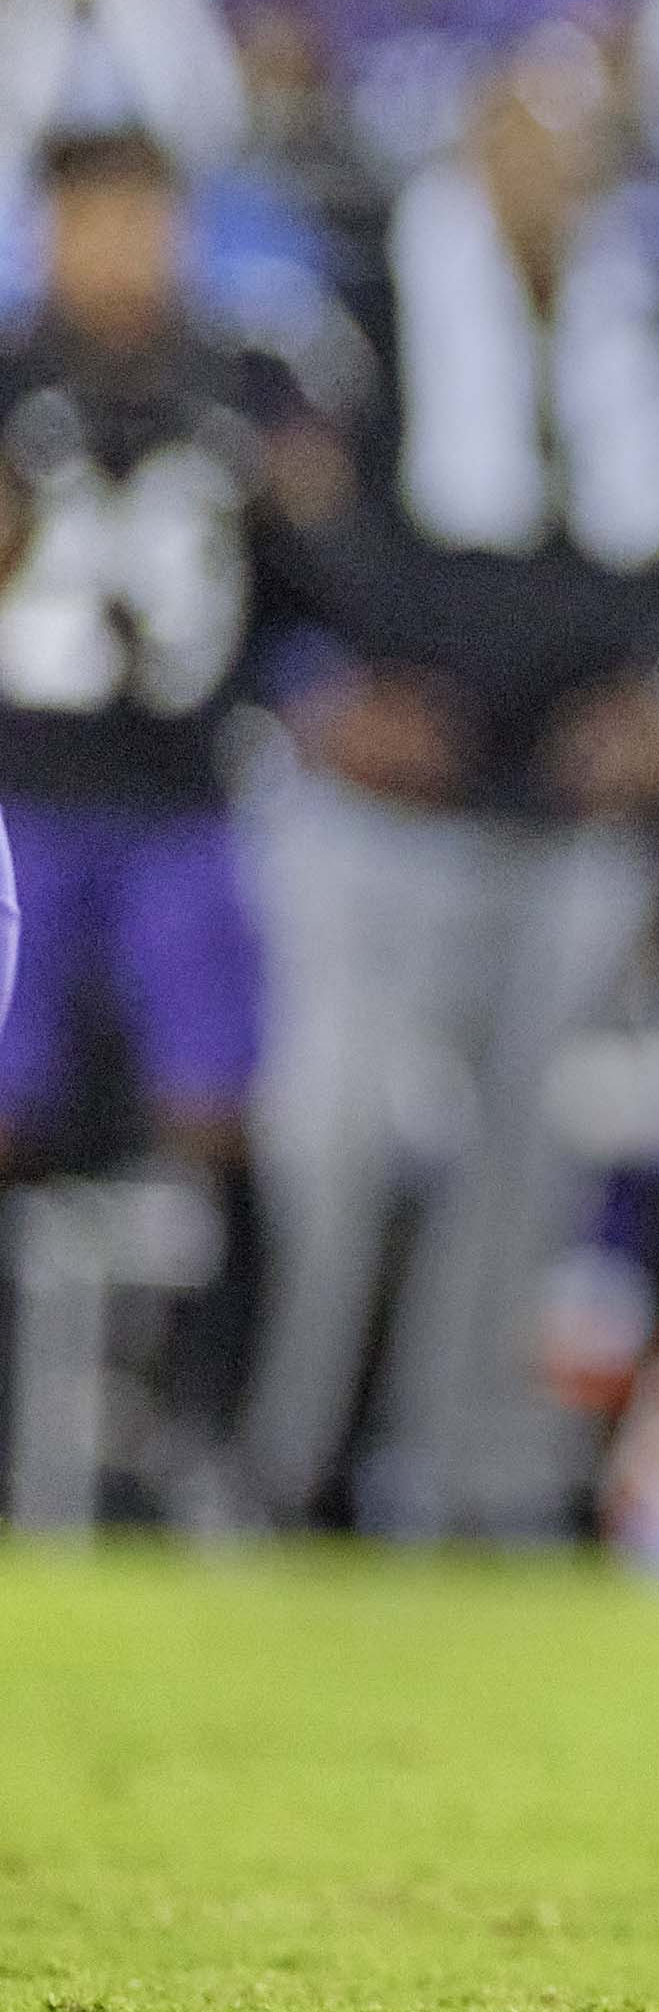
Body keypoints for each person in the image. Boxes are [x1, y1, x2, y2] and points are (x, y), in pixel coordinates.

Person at [250, 27, 659, 1539]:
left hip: (565, 812)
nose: (544, 174)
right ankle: (271, 1467)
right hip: (382, 813)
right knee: (328, 1138)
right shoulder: (361, 315)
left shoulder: (656, 334)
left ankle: (463, 1485)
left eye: (574, 146)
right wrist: (319, 695)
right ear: (467, 142)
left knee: (531, 1164)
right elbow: (262, 538)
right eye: (520, 137)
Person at [0, 121, 332, 1504]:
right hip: (24, 794)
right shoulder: (14, 378)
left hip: (187, 795)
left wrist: (306, 505)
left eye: (146, 218)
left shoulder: (247, 385)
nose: (123, 252)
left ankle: (206, 1426)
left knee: (217, 1109)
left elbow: (326, 583)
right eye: (96, 219)